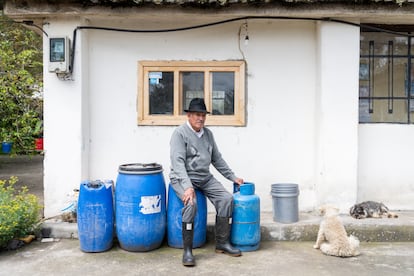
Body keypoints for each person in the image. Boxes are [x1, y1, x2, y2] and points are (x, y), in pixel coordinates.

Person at [169, 98, 244, 267]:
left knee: (226, 199)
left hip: (204, 177)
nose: (200, 118)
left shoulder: (208, 134)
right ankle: (187, 251)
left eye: (203, 115)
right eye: (197, 115)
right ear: (188, 115)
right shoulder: (179, 134)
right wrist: (187, 187)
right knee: (190, 203)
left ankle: (222, 243)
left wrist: (233, 177)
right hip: (182, 177)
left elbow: (217, 159)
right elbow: (177, 162)